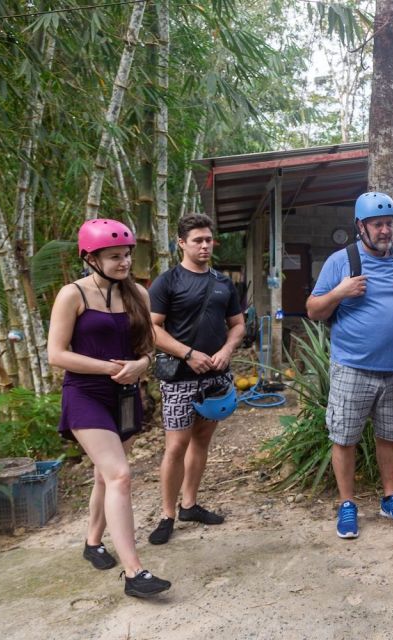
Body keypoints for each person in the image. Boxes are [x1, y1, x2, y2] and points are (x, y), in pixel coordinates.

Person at [48, 219, 171, 598]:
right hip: (86, 394)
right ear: (90, 258)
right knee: (120, 475)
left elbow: (148, 345)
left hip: (125, 396)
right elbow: (56, 354)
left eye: (127, 254)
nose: (124, 262)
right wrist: (110, 367)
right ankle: (134, 573)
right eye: (114, 256)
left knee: (106, 476)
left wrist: (141, 364)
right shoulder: (73, 295)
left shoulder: (137, 293)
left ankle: (92, 540)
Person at [306, 191, 393, 539]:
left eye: (389, 223)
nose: (385, 230)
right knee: (345, 438)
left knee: (390, 436)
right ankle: (347, 504)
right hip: (353, 367)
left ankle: (390, 498)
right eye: (378, 224)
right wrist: (340, 292)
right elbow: (313, 310)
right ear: (361, 226)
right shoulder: (341, 261)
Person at [147, 213, 245, 545]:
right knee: (176, 446)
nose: (204, 246)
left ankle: (189, 504)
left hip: (216, 376)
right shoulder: (167, 282)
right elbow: (152, 329)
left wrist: (228, 350)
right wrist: (188, 353)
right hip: (179, 377)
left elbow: (238, 324)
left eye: (208, 240)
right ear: (181, 243)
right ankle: (167, 514)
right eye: (197, 241)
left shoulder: (223, 282)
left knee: (202, 441)